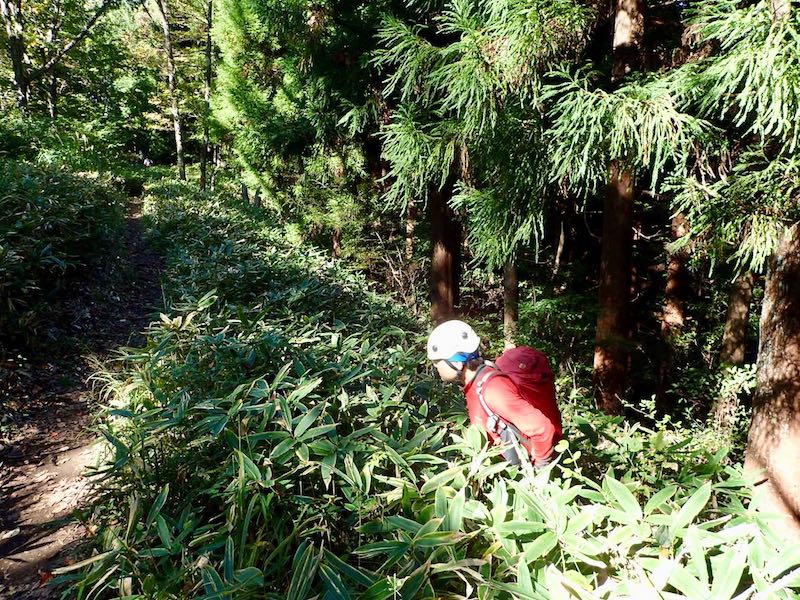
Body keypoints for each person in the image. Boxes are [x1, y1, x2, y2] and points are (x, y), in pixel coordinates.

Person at [426, 319, 563, 467]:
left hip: (523, 474)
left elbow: (542, 429)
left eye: (437, 361)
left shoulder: (492, 388)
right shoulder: (476, 382)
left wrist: (539, 475)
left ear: (457, 362)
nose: (435, 366)